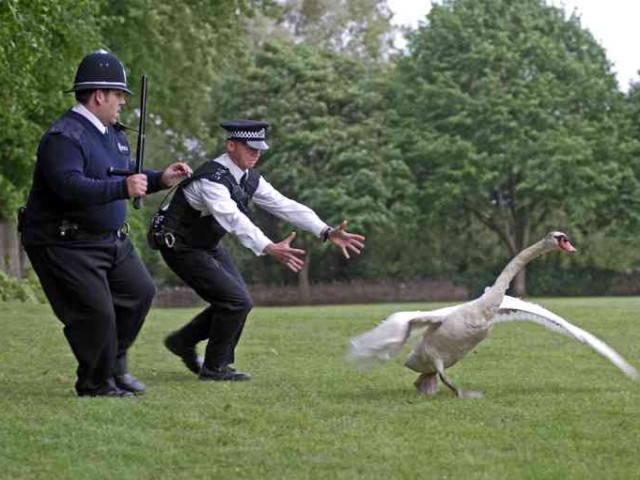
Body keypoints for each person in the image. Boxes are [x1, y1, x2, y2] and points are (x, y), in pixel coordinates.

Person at [20, 49, 192, 397]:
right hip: (63, 241)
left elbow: (125, 177)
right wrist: (122, 188)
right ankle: (95, 384)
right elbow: (69, 185)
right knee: (96, 314)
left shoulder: (113, 133)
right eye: (119, 96)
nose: (123, 103)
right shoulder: (63, 137)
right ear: (99, 95)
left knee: (139, 293)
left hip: (109, 239)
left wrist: (161, 179)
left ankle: (114, 367)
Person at [158, 119, 365, 381]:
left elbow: (284, 205)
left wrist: (325, 230)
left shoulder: (247, 178)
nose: (257, 154)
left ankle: (182, 342)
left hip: (206, 245)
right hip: (180, 246)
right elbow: (234, 219)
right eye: (250, 148)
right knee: (236, 301)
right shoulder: (212, 180)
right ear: (231, 145)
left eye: (259, 149)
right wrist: (267, 246)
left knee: (238, 302)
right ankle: (215, 369)